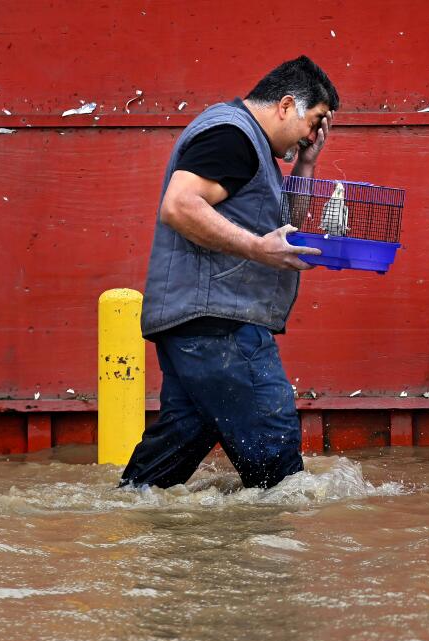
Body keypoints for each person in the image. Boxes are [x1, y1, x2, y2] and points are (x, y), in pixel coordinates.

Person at [119, 56, 339, 490]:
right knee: (281, 479)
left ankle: (117, 535)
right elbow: (179, 205)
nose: (312, 135)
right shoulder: (233, 135)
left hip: (199, 330)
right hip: (222, 328)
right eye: (314, 122)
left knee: (154, 482)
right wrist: (258, 247)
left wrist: (306, 165)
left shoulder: (255, 150)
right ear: (286, 105)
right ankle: (274, 557)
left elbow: (287, 231)